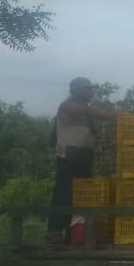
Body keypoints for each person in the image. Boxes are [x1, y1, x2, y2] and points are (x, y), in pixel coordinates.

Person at [46, 77, 119, 244]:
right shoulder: (69, 106)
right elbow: (93, 112)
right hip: (69, 155)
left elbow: (91, 132)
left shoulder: (85, 111)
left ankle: (74, 235)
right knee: (64, 192)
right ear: (76, 89)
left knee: (81, 195)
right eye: (87, 88)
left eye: (91, 88)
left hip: (84, 157)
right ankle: (54, 233)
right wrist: (118, 115)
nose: (91, 91)